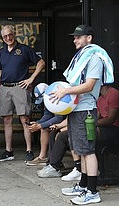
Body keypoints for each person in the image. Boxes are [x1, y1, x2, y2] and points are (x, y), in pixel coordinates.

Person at [51, 25, 114, 205]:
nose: (75, 40)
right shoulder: (82, 57)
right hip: (76, 109)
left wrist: (66, 91)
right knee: (81, 150)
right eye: (74, 37)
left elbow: (88, 85)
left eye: (79, 37)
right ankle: (84, 185)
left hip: (85, 111)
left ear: (89, 38)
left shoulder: (94, 58)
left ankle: (92, 192)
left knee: (88, 151)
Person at [0, 25, 46, 162]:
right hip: (5, 87)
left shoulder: (24, 49)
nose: (8, 38)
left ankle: (29, 150)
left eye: (10, 35)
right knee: (7, 119)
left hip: (20, 87)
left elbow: (41, 63)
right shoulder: (1, 53)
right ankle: (8, 151)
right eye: (5, 36)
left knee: (24, 119)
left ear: (14, 34)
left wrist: (31, 79)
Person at [26, 83, 65, 166]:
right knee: (43, 128)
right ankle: (42, 156)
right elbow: (47, 115)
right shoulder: (47, 101)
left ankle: (49, 158)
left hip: (65, 122)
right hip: (58, 122)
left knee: (45, 128)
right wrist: (38, 123)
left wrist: (40, 125)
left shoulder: (56, 98)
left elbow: (59, 118)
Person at [96, 84, 119, 162]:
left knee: (91, 133)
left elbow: (110, 120)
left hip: (114, 128)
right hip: (104, 126)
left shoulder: (114, 93)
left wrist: (92, 124)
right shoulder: (100, 99)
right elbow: (96, 117)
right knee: (62, 135)